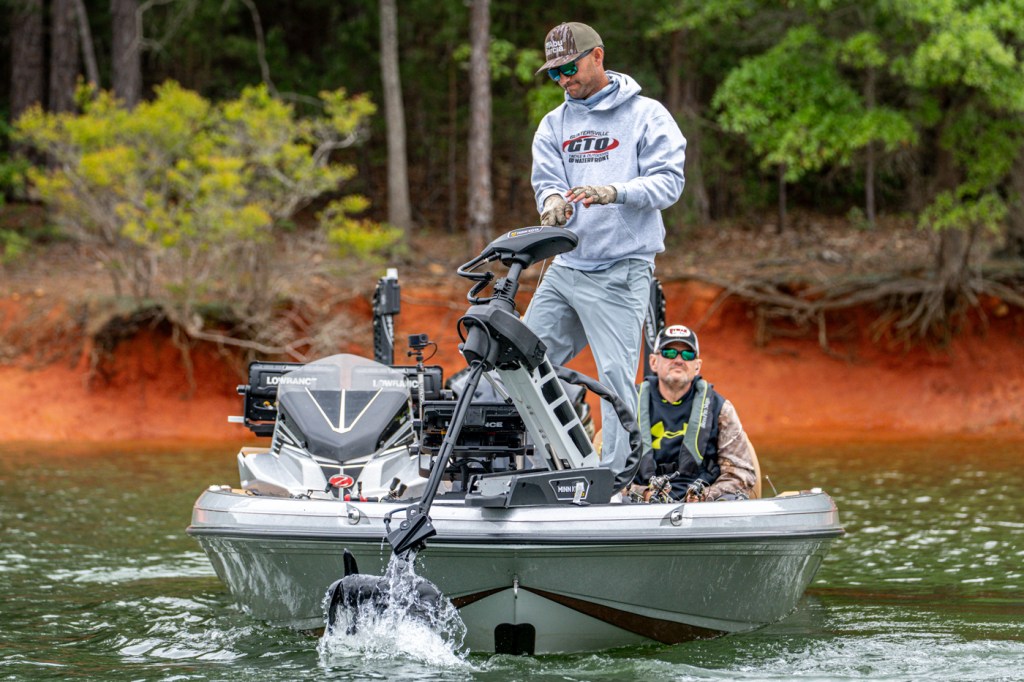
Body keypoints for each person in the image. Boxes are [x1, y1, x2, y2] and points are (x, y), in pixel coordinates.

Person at [526, 22, 687, 478]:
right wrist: (552, 203)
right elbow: (547, 181)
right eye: (553, 73)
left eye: (569, 68)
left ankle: (616, 481)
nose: (562, 80)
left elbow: (669, 183)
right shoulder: (553, 124)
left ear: (597, 56)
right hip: (566, 268)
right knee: (519, 362)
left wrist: (614, 192)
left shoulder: (647, 114)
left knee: (615, 378)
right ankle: (542, 465)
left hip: (621, 269)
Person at [632, 324, 758, 502]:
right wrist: (643, 493)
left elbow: (741, 473)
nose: (678, 360)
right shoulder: (628, 405)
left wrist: (705, 496)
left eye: (687, 355)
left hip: (703, 508)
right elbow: (610, 472)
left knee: (732, 500)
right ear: (653, 361)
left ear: (697, 366)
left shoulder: (720, 408)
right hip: (640, 506)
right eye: (669, 353)